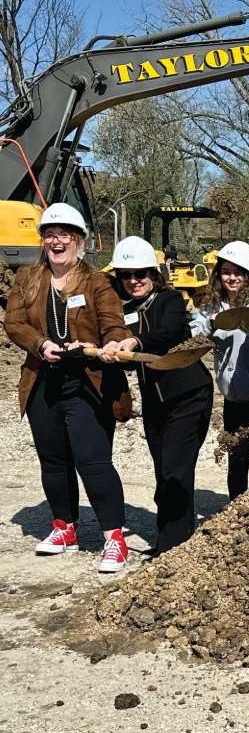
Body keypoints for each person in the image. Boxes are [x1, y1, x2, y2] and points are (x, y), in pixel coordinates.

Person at [4, 204, 132, 572]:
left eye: (65, 234)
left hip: (86, 381)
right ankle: (65, 528)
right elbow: (13, 323)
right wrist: (41, 344)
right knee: (54, 461)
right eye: (50, 234)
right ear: (43, 240)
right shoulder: (27, 277)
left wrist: (112, 345)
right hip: (42, 381)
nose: (56, 240)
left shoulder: (97, 282)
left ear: (78, 241)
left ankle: (114, 539)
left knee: (92, 461)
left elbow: (113, 325)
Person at [104, 237, 214, 554]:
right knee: (162, 473)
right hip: (155, 403)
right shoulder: (119, 309)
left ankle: (171, 549)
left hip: (189, 394)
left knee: (175, 472)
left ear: (153, 274)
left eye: (140, 273)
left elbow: (167, 333)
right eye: (126, 274)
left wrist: (134, 343)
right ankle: (170, 540)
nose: (133, 280)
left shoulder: (171, 300)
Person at [191, 241, 249, 501]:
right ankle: (236, 510)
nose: (231, 278)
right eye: (226, 271)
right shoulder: (212, 304)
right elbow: (196, 332)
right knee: (237, 460)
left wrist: (237, 319)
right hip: (234, 400)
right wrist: (212, 323)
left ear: (248, 275)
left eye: (238, 272)